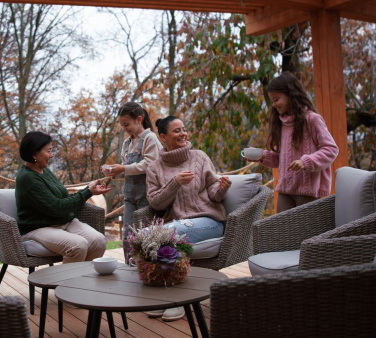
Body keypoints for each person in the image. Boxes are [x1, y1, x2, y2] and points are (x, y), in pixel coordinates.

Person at [143, 115, 232, 322]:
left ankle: (177, 301)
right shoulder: (154, 168)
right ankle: (165, 298)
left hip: (209, 221)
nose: (183, 133)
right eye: (177, 131)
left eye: (184, 129)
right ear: (163, 137)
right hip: (177, 223)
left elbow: (213, 192)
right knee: (153, 236)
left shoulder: (199, 157)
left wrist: (221, 188)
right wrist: (174, 183)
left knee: (160, 235)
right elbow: (156, 203)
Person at [247, 72, 339, 213]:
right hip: (285, 191)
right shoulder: (283, 124)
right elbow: (281, 159)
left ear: (290, 95)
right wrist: (261, 156)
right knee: (283, 233)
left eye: (276, 99)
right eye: (272, 100)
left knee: (307, 234)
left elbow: (331, 149)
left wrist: (305, 162)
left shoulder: (312, 120)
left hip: (308, 192)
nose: (274, 105)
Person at [16, 131, 111, 263]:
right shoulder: (28, 178)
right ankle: (65, 283)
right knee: (78, 245)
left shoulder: (44, 170)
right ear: (34, 153)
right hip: (38, 228)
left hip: (64, 222)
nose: (52, 155)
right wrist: (87, 192)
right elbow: (57, 207)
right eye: (48, 151)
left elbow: (63, 197)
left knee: (99, 241)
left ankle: (83, 279)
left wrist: (89, 190)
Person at [101, 102, 161, 262]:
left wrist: (123, 168)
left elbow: (150, 164)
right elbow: (127, 169)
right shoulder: (127, 143)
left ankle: (146, 266)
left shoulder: (150, 138)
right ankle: (129, 263)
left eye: (126, 124)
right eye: (121, 125)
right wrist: (115, 173)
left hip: (147, 195)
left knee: (144, 232)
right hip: (129, 195)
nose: (124, 128)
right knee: (128, 232)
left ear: (139, 119)